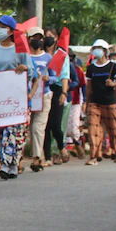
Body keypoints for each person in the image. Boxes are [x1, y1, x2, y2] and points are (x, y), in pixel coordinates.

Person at [0, 16, 30, 179]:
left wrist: (25, 67)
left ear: (11, 31)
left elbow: (32, 70)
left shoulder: (20, 49)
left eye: (3, 26)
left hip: (17, 97)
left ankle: (10, 163)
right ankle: (7, 162)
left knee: (14, 130)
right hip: (1, 97)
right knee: (3, 130)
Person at [84, 39, 116, 165]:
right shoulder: (91, 68)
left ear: (105, 51)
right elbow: (89, 87)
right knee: (93, 129)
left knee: (113, 129)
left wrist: (113, 84)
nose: (96, 51)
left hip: (109, 102)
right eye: (95, 48)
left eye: (99, 48)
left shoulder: (113, 66)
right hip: (95, 102)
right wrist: (86, 103)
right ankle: (93, 156)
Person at [40, 27, 71, 166]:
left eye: (50, 36)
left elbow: (65, 76)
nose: (48, 38)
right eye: (45, 36)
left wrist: (64, 93)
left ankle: (61, 146)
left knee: (55, 124)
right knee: (45, 124)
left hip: (57, 89)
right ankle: (47, 157)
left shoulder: (61, 55)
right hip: (44, 88)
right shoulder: (41, 54)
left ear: (56, 38)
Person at [24, 26, 52, 173]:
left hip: (44, 95)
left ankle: (37, 157)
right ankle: (19, 158)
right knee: (25, 128)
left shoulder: (48, 58)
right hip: (26, 95)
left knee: (37, 127)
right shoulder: (24, 57)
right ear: (28, 39)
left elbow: (56, 76)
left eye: (40, 38)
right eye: (34, 38)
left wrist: (49, 78)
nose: (37, 40)